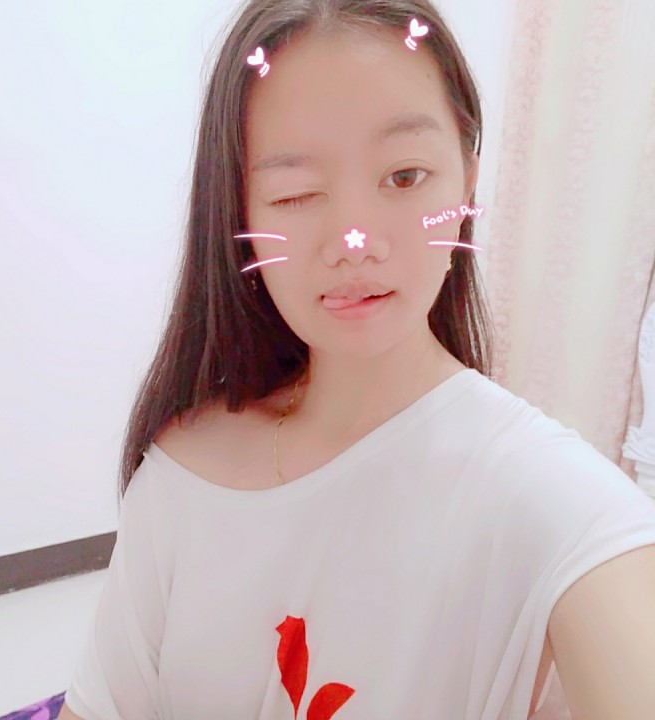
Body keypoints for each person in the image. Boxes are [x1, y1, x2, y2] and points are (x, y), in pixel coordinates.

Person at [58, 1, 655, 718]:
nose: (354, 241)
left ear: (467, 181)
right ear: (240, 215)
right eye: (296, 194)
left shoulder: (559, 504)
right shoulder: (182, 472)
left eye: (404, 176)